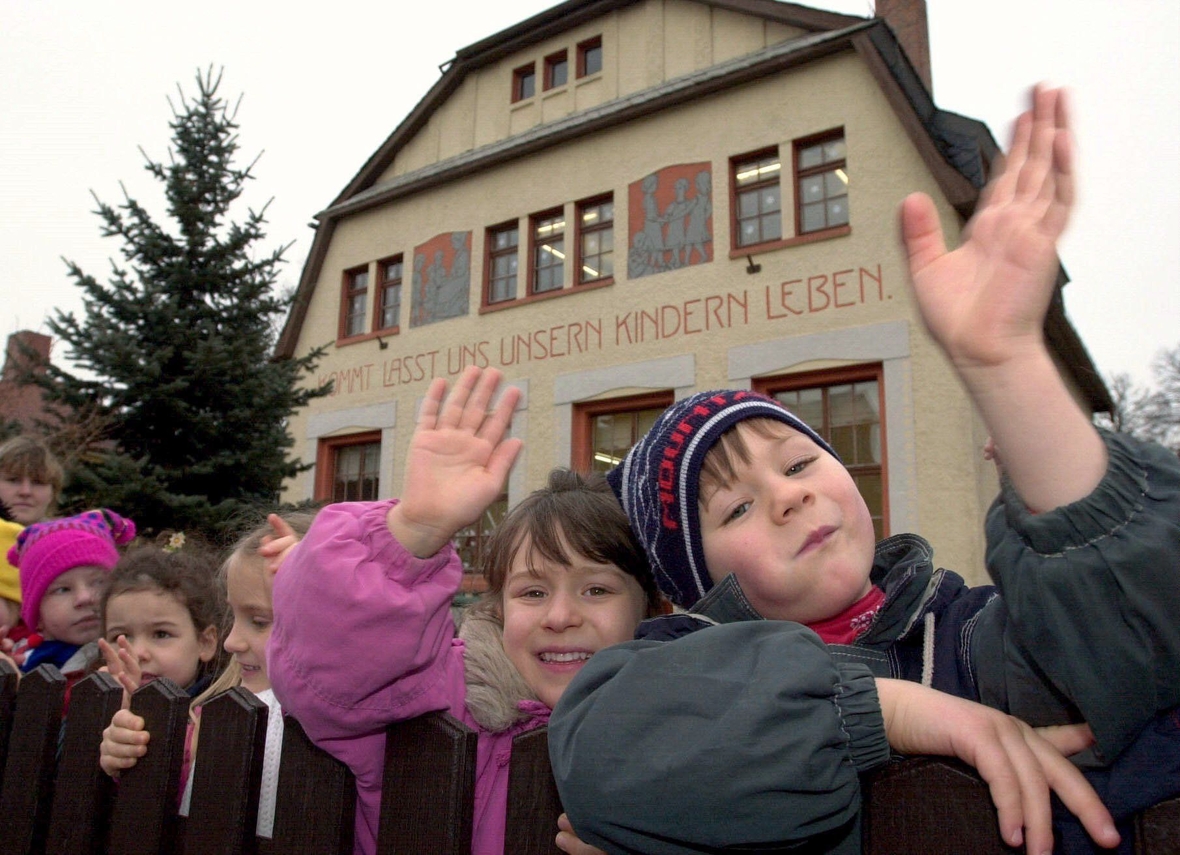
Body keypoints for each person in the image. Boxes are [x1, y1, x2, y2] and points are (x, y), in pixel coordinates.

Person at [549, 85, 1177, 853]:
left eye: (801, 460)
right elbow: (602, 755)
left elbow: (1133, 627)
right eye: (736, 509)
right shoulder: (669, 673)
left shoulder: (970, 638)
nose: (788, 496)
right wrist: (888, 711)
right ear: (694, 587)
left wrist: (1008, 367)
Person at [266, 366, 664, 855]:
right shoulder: (436, 698)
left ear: (649, 606)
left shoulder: (683, 734)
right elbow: (334, 665)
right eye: (532, 593)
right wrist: (414, 528)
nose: (559, 617)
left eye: (597, 591)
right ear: (498, 608)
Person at [99, 514, 312, 839]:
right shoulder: (210, 720)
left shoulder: (353, 726)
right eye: (234, 616)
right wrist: (127, 754)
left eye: (258, 620)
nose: (231, 642)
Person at [1, 510, 136, 699]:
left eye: (99, 582)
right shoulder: (25, 653)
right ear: (37, 616)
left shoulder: (129, 660)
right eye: (63, 590)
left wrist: (18, 691)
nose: (85, 598)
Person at [98, 539, 229, 703]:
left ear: (205, 642)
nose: (138, 653)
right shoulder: (93, 707)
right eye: (121, 636)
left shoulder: (219, 714)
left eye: (161, 634)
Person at [0, 435, 64, 525]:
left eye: (38, 482)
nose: (25, 492)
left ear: (53, 493)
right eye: (13, 480)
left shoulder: (68, 537)